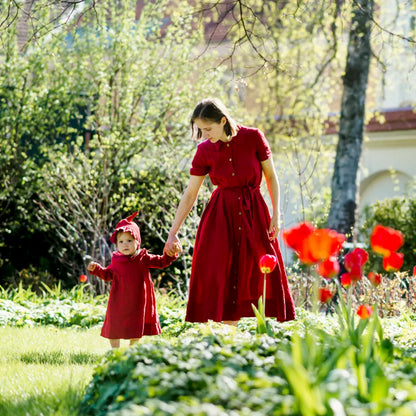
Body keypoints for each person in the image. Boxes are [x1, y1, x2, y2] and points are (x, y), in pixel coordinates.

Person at [164, 98, 296, 325]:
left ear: (223, 120)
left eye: (208, 129)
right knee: (221, 271)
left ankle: (263, 333)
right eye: (200, 130)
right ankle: (227, 336)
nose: (205, 135)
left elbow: (271, 177)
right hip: (220, 217)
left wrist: (276, 214)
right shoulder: (204, 151)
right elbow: (190, 193)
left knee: (262, 268)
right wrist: (173, 232)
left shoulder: (253, 137)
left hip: (254, 213)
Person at [88, 211, 177, 348]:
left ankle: (132, 348)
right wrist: (97, 269)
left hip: (137, 301)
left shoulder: (143, 258)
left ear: (137, 242)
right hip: (118, 301)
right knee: (114, 325)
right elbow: (108, 275)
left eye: (129, 241)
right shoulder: (116, 260)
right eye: (121, 241)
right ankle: (115, 350)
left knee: (136, 326)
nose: (125, 244)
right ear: (117, 244)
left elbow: (161, 262)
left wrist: (170, 254)